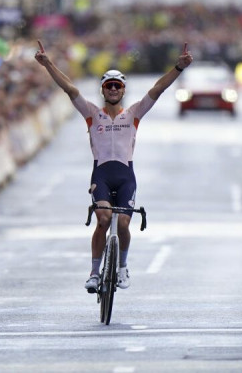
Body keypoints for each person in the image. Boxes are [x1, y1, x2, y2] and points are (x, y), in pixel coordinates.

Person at [34, 40, 193, 293]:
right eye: (108, 86)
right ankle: (95, 273)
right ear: (102, 90)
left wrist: (178, 67)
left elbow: (157, 89)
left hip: (126, 176)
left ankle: (122, 267)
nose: (113, 90)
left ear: (123, 90)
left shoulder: (133, 114)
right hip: (102, 176)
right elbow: (70, 89)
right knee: (104, 219)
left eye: (117, 86)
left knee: (123, 225)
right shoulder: (91, 113)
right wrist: (48, 64)